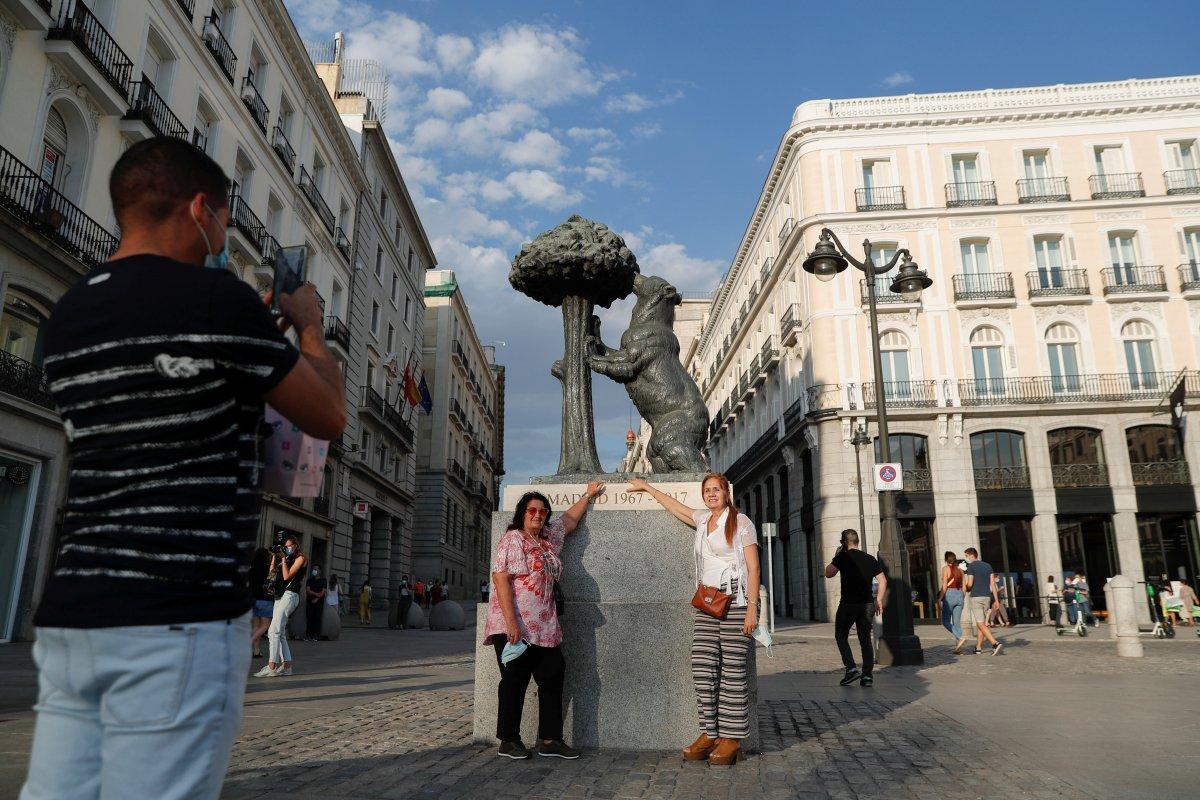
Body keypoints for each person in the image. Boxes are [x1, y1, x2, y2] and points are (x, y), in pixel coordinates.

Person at [19, 136, 346, 800]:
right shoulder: (214, 300)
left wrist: (244, 340)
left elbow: (156, 396)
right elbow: (329, 415)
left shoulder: (68, 313)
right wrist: (308, 327)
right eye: (225, 216)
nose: (224, 231)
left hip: (74, 611)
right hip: (175, 612)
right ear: (201, 207)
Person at [629, 475, 761, 767]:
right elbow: (675, 507)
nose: (712, 494)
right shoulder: (702, 520)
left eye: (716, 490)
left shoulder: (741, 522)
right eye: (707, 491)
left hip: (737, 602)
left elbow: (753, 567)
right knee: (702, 666)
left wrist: (752, 608)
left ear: (726, 492)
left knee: (733, 671)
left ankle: (732, 738)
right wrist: (648, 488)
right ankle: (710, 732)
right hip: (708, 603)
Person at [484, 482, 604, 761]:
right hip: (514, 624)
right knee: (514, 680)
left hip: (545, 625)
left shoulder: (549, 539)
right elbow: (501, 578)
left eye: (543, 511)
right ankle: (508, 739)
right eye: (532, 510)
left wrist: (588, 495)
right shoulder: (514, 538)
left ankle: (550, 739)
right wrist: (512, 624)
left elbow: (570, 520)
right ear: (522, 514)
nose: (538, 515)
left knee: (553, 675)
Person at [822, 530, 886, 687]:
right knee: (865, 639)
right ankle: (867, 676)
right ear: (857, 541)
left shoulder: (843, 556)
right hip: (867, 604)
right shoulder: (870, 558)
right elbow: (883, 580)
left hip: (848, 605)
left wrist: (836, 556)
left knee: (841, 635)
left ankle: (851, 668)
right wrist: (879, 600)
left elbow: (828, 573)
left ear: (844, 542)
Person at [257, 536, 308, 677]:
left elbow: (287, 576)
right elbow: (271, 574)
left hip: (290, 595)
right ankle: (287, 666)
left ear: (296, 545)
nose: (287, 548)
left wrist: (284, 560)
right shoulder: (284, 560)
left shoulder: (300, 558)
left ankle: (271, 666)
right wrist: (275, 557)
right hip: (279, 597)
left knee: (273, 631)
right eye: (285, 547)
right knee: (279, 633)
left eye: (290, 545)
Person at [963, 547, 1003, 655]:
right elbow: (993, 584)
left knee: (980, 624)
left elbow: (970, 584)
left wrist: (965, 587)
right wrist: (996, 601)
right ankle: (978, 648)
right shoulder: (988, 566)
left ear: (972, 555)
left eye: (966, 556)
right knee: (981, 624)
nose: (966, 558)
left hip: (976, 597)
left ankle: (995, 643)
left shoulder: (971, 566)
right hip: (987, 597)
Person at [937, 551, 967, 653]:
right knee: (957, 624)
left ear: (946, 559)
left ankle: (960, 637)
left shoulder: (945, 569)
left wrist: (940, 598)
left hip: (949, 595)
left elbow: (945, 585)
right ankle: (958, 648)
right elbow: (964, 587)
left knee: (945, 621)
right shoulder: (960, 570)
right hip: (960, 595)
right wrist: (962, 597)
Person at [249, 547, 274, 658]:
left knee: (256, 626)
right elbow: (272, 578)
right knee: (265, 626)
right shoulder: (267, 568)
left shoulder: (251, 569)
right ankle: (249, 643)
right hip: (265, 600)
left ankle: (256, 651)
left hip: (253, 599)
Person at [305, 563, 327, 642]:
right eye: (313, 569)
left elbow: (323, 591)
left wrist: (317, 598)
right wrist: (316, 594)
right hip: (310, 601)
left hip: (319, 602)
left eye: (316, 569)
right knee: (309, 618)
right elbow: (308, 590)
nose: (314, 571)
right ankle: (308, 635)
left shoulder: (323, 580)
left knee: (317, 618)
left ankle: (316, 635)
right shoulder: (309, 580)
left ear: (319, 571)